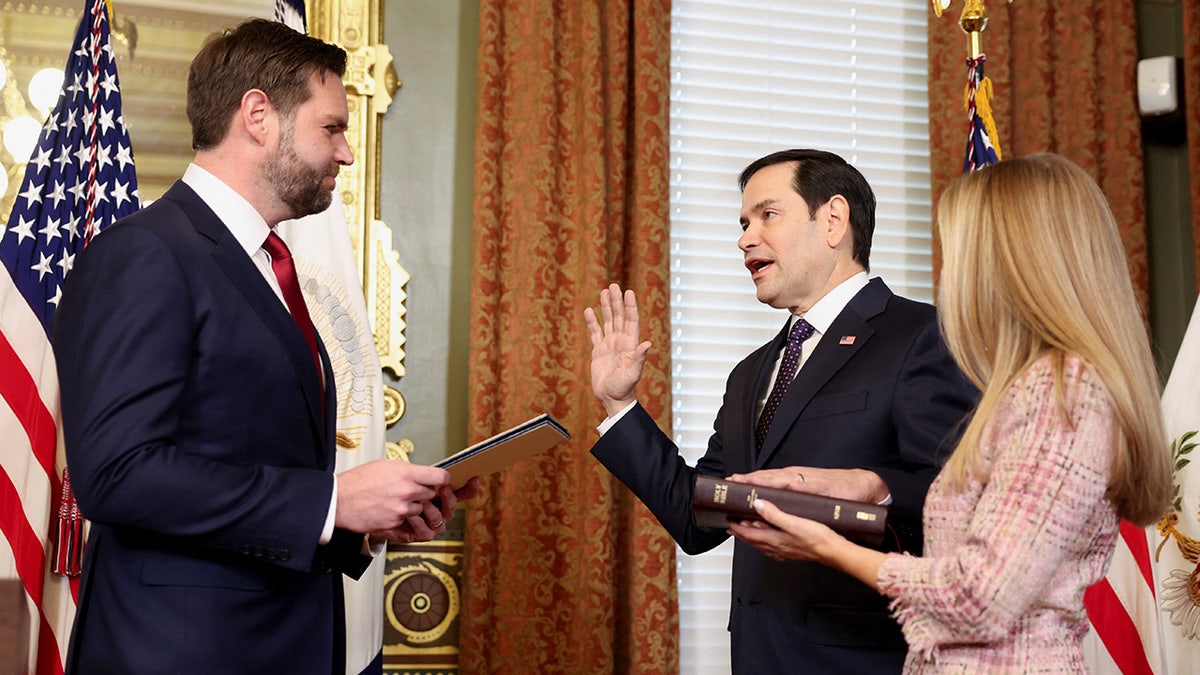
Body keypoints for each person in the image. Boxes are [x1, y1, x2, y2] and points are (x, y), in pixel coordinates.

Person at [53, 18, 477, 674]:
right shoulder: (144, 253)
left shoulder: (267, 263)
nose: (347, 152)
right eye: (331, 128)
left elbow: (252, 464)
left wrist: (356, 523)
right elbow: (117, 474)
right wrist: (333, 501)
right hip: (180, 654)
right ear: (258, 115)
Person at [730, 153, 1174, 672]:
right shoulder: (1025, 386)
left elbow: (979, 597)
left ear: (1018, 259)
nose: (950, 270)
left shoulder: (1065, 389)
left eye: (961, 249)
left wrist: (827, 547)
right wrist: (868, 487)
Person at [585, 149, 978, 673]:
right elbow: (699, 517)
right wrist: (619, 404)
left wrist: (871, 485)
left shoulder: (922, 335)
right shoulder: (750, 374)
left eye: (767, 216)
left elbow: (964, 498)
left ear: (833, 220)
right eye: (744, 223)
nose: (746, 238)